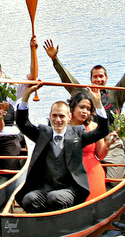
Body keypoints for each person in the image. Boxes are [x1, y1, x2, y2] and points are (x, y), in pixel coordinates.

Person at [43, 39, 125, 178]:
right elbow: (68, 80)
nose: (98, 80)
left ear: (106, 78)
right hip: (88, 141)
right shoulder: (83, 96)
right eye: (95, 77)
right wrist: (55, 59)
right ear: (91, 80)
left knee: (115, 179)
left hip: (111, 141)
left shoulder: (116, 94)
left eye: (101, 76)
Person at [17, 84, 109, 212]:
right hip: (44, 189)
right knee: (29, 199)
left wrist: (98, 103)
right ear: (50, 116)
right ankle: (41, 220)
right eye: (54, 116)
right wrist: (26, 96)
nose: (58, 120)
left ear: (69, 117)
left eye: (62, 116)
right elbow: (23, 124)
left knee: (54, 197)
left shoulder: (78, 135)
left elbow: (102, 131)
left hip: (68, 189)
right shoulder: (43, 134)